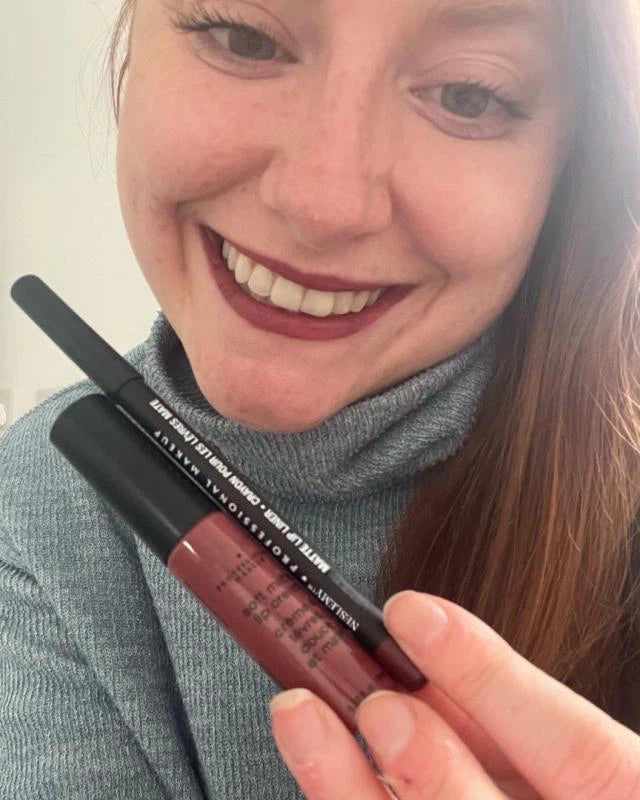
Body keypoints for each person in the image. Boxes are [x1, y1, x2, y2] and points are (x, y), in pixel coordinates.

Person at [1, 0, 639, 797]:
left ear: (575, 160)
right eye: (245, 37)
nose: (322, 204)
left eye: (469, 94)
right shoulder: (34, 513)